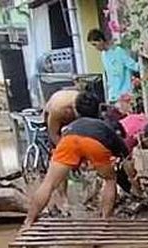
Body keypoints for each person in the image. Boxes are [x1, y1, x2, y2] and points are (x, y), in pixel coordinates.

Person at [24, 91, 134, 228]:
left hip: (68, 139)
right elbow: (125, 156)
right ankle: (106, 221)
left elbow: (56, 136)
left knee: (48, 183)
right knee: (110, 180)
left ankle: (28, 222)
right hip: (95, 142)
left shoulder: (69, 122)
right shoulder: (105, 125)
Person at [87, 29, 140, 104]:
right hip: (113, 94)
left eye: (95, 44)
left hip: (125, 93)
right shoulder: (103, 55)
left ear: (101, 40)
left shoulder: (118, 51)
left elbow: (134, 66)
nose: (95, 48)